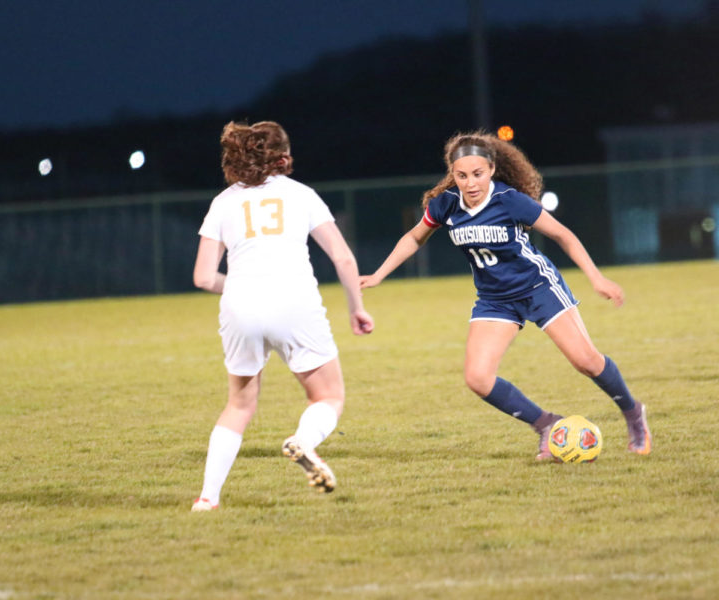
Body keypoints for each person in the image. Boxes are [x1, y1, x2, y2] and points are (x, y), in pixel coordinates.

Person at [360, 131, 650, 460]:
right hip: (495, 299)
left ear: (492, 170)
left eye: (478, 174)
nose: (470, 183)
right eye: (462, 175)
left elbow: (562, 235)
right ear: (452, 174)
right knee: (478, 378)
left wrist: (596, 278)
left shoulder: (509, 200)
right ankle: (545, 425)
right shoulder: (446, 205)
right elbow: (414, 238)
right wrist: (379, 274)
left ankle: (632, 413)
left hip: (538, 288)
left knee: (585, 361)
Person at [190, 121, 374, 512]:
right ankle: (303, 442)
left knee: (239, 405)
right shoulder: (301, 195)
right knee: (328, 395)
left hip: (240, 308)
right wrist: (356, 307)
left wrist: (243, 287)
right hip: (295, 302)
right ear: (283, 157)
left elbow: (203, 277)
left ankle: (208, 498)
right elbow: (342, 256)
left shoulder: (223, 202)